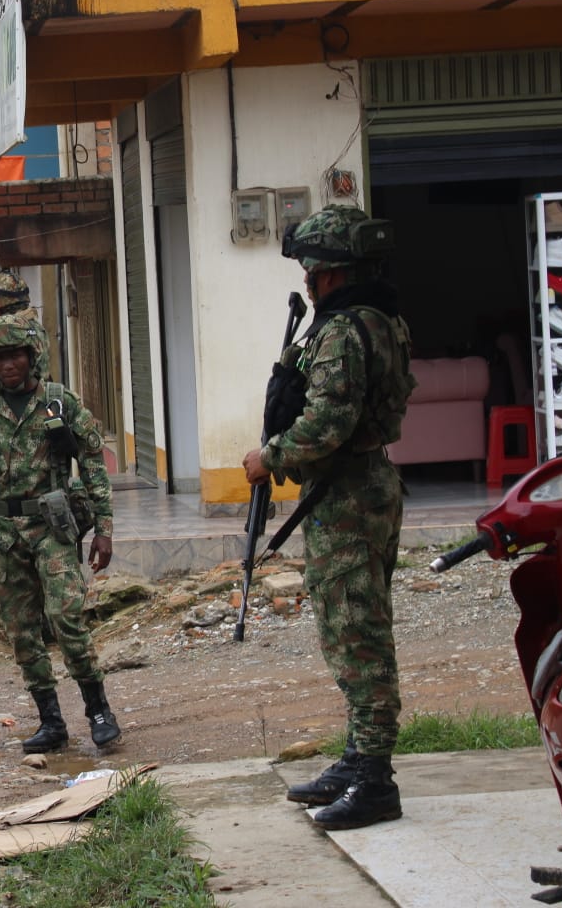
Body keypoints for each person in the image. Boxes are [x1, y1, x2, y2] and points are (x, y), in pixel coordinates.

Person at [242, 205, 415, 831]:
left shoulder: (345, 331)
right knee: (353, 627)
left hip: (346, 497)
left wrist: (270, 457)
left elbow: (327, 425)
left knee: (357, 636)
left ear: (331, 272)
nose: (307, 279)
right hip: (363, 487)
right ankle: (358, 757)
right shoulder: (381, 320)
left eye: (311, 269)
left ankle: (375, 779)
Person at [0, 314, 118, 753]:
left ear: (32, 356)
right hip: (6, 535)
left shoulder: (58, 402)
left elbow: (92, 462)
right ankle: (51, 721)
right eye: (0, 357)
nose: (9, 364)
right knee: (22, 630)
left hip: (52, 528)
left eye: (16, 354)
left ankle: (99, 710)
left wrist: (104, 530)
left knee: (66, 618)